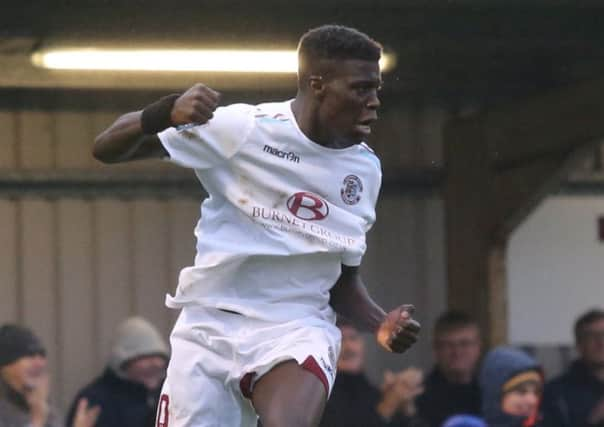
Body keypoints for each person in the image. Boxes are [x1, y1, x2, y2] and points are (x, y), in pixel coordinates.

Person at [93, 24, 421, 427]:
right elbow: (106, 148)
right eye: (361, 89)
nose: (373, 103)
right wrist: (164, 112)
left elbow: (341, 282)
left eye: (377, 90)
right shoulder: (243, 129)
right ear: (318, 84)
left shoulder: (363, 171)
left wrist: (380, 324)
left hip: (295, 326)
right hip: (210, 323)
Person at [320, 318, 425, 427]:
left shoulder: (375, 394)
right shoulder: (322, 399)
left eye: (353, 338)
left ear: (363, 345)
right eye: (340, 341)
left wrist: (407, 408)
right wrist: (388, 406)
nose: (348, 347)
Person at [66, 317, 169, 427]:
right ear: (122, 362)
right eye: (146, 357)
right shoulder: (95, 402)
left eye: (159, 357)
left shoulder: (168, 394)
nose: (155, 364)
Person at [0, 324, 100, 427]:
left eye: (42, 355)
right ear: (5, 365)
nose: (39, 363)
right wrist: (37, 421)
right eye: (29, 355)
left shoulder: (46, 410)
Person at [415, 311, 482, 427]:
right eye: (448, 345)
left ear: (478, 346)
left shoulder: (493, 392)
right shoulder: (418, 396)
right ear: (436, 349)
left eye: (464, 343)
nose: (457, 352)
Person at [542, 308, 604, 427]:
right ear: (579, 345)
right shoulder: (555, 393)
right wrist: (593, 421)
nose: (601, 342)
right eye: (592, 336)